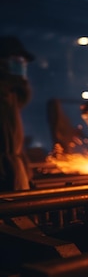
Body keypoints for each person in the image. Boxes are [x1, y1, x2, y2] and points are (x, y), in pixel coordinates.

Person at [0, 36, 35, 191]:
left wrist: (27, 175)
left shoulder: (11, 97)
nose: (21, 65)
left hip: (13, 175)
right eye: (16, 59)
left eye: (23, 61)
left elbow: (16, 149)